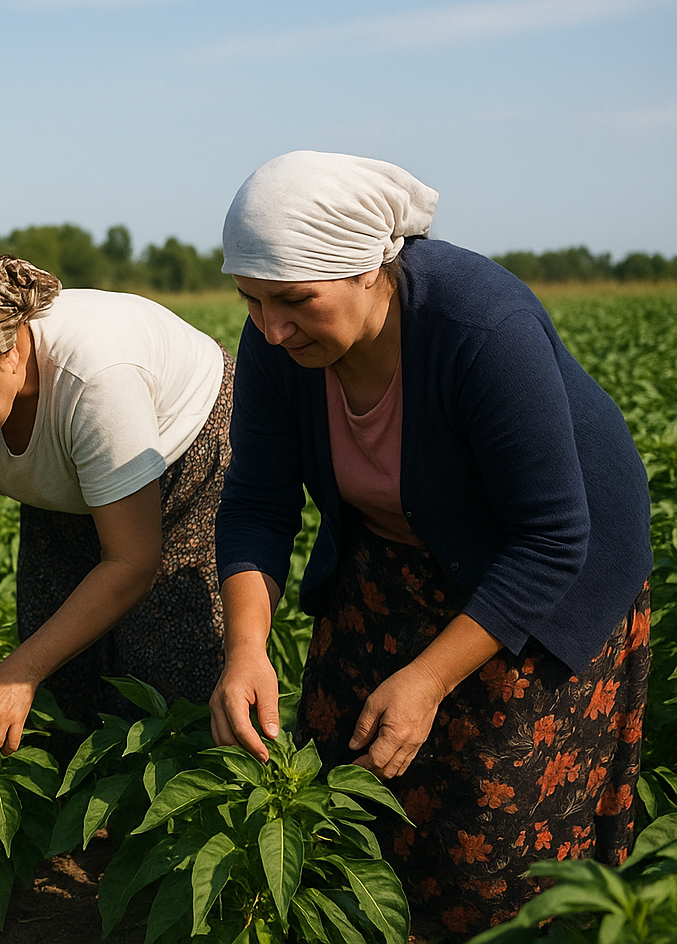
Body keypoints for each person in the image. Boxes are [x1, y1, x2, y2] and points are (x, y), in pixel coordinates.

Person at [208, 150, 651, 941]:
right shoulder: (279, 349)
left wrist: (429, 677)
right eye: (250, 302)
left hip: (547, 570)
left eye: (294, 302)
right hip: (393, 559)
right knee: (346, 780)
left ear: (370, 270)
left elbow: (552, 537)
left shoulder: (481, 328)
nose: (272, 328)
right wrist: (246, 647)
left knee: (490, 820)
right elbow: (255, 504)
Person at [0, 250, 232, 765]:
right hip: (66, 467)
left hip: (181, 447)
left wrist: (19, 672)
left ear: (10, 355)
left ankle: (167, 819)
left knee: (166, 663)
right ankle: (71, 813)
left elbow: (132, 560)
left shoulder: (94, 377)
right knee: (55, 652)